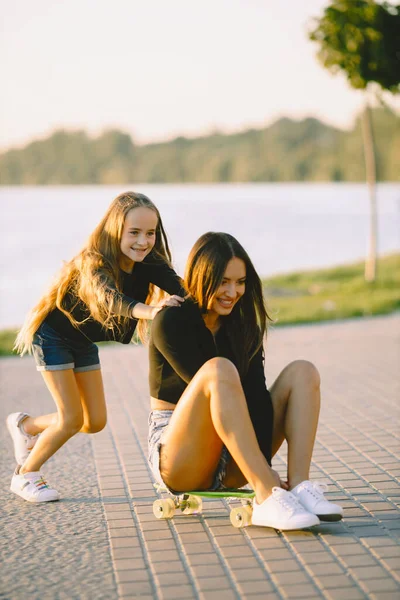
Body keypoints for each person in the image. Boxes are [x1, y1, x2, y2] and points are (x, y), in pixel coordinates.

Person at [148, 232, 343, 531]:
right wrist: (265, 479)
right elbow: (208, 389)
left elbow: (256, 399)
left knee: (303, 371)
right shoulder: (170, 320)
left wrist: (263, 466)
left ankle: (300, 487)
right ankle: (266, 496)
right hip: (180, 458)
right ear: (202, 276)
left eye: (240, 282)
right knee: (219, 371)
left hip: (236, 455)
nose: (233, 291)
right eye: (224, 281)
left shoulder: (241, 324)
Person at [7, 191, 184, 503]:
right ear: (115, 229)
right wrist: (151, 310)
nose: (143, 241)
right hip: (53, 337)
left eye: (150, 233)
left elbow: (184, 289)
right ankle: (25, 475)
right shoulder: (94, 262)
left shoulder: (148, 262)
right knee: (71, 418)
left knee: (93, 422)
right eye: (134, 233)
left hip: (83, 341)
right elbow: (110, 299)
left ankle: (26, 425)